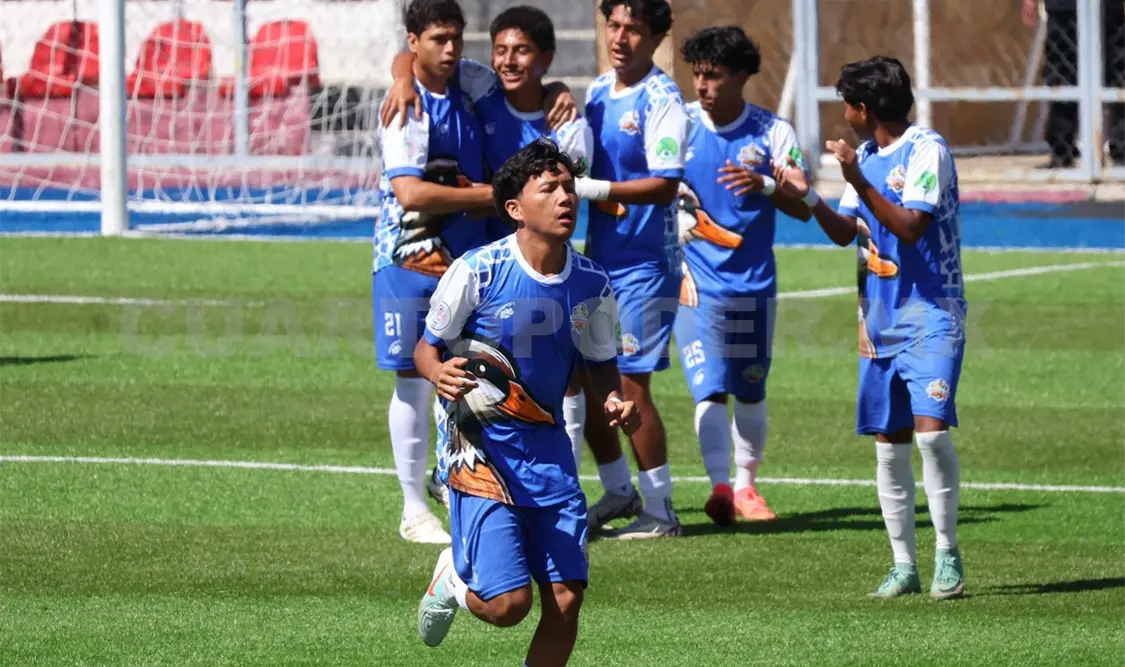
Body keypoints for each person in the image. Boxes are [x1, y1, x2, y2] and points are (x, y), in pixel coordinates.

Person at [414, 138, 639, 666]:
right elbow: (426, 347)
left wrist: (615, 400)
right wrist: (437, 372)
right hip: (480, 449)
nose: (566, 197)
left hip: (547, 450)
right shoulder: (479, 271)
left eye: (569, 187)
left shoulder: (590, 282)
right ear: (515, 208)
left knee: (565, 600)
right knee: (508, 606)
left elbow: (600, 362)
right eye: (550, 188)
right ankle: (452, 579)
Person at [773, 56, 966, 600]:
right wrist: (806, 193)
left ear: (864, 108)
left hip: (933, 312)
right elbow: (845, 233)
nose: (844, 115)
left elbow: (909, 226)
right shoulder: (867, 155)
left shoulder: (927, 149)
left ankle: (947, 554)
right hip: (877, 319)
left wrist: (855, 175)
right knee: (889, 445)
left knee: (931, 439)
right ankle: (904, 565)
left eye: (846, 104)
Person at [381, 4, 593, 471]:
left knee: (567, 374)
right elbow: (415, 59)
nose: (509, 60)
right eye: (501, 50)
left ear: (546, 57)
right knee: (468, 369)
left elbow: (573, 186)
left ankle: (572, 482)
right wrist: (401, 78)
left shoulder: (566, 123)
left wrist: (555, 89)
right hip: (482, 263)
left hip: (547, 263)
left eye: (522, 51)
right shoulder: (483, 87)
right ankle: (456, 479)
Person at [674, 26, 812, 526]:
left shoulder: (772, 132)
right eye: (696, 75)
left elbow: (804, 207)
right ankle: (720, 487)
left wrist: (767, 184)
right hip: (695, 284)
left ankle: (748, 487)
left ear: (740, 77)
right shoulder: (681, 125)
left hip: (753, 285)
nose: (701, 86)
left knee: (750, 387)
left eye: (712, 76)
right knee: (709, 386)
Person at [374, 0, 496, 544]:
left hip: (465, 263)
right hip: (408, 259)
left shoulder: (467, 81)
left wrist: (560, 95)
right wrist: (496, 196)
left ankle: (451, 476)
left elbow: (523, 86)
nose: (450, 50)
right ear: (414, 40)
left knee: (470, 374)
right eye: (437, 39)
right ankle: (411, 508)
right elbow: (410, 192)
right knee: (413, 380)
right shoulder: (407, 107)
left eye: (456, 38)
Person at [575, 0, 690, 539]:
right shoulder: (598, 91)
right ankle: (620, 490)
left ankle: (662, 511)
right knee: (588, 376)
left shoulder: (663, 98)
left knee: (630, 382)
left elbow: (665, 183)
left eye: (634, 30)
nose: (620, 37)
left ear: (656, 37)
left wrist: (597, 189)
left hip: (645, 263)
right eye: (614, 26)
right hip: (599, 260)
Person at [1022, 0, 1125, 167]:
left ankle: (1122, 149)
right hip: (1064, 7)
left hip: (1108, 7)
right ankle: (1062, 150)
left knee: (1118, 72)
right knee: (1062, 74)